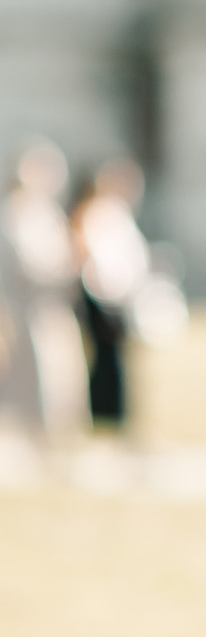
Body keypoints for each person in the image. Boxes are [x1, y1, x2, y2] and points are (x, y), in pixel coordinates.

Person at [3, 140, 90, 446]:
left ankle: (62, 433)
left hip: (54, 304)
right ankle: (40, 435)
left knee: (63, 373)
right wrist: (65, 268)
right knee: (38, 373)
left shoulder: (46, 211)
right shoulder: (16, 213)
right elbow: (28, 265)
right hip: (31, 307)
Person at [71, 157, 152, 432]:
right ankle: (105, 412)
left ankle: (114, 413)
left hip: (117, 294)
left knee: (116, 359)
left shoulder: (112, 212)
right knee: (106, 359)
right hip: (103, 295)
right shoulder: (98, 212)